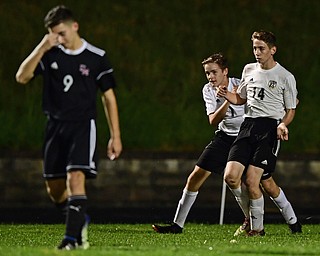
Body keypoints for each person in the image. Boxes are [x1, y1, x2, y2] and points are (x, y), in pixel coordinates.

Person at [152, 53, 301, 235]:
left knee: (266, 184)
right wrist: (226, 100)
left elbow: (259, 103)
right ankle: (177, 225)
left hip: (247, 136)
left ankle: (292, 221)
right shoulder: (208, 90)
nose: (210, 77)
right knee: (197, 176)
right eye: (207, 73)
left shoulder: (242, 82)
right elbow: (213, 120)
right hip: (224, 137)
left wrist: (284, 111)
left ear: (225, 71)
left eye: (214, 72)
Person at [15, 5, 122, 250]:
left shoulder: (96, 57)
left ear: (75, 27)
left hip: (83, 126)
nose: (58, 39)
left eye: (61, 33)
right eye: (53, 34)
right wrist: (43, 46)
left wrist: (115, 136)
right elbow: (22, 77)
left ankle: (71, 239)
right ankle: (78, 219)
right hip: (55, 126)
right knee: (55, 190)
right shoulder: (50, 54)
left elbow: (109, 97)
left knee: (76, 179)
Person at [216, 30, 298, 236]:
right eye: (254, 48)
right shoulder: (249, 70)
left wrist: (283, 125)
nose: (257, 52)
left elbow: (291, 110)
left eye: (261, 48)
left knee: (255, 182)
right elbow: (241, 98)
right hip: (247, 127)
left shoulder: (285, 76)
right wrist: (227, 95)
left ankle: (258, 229)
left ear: (273, 50)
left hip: (269, 130)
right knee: (231, 177)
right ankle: (256, 220)